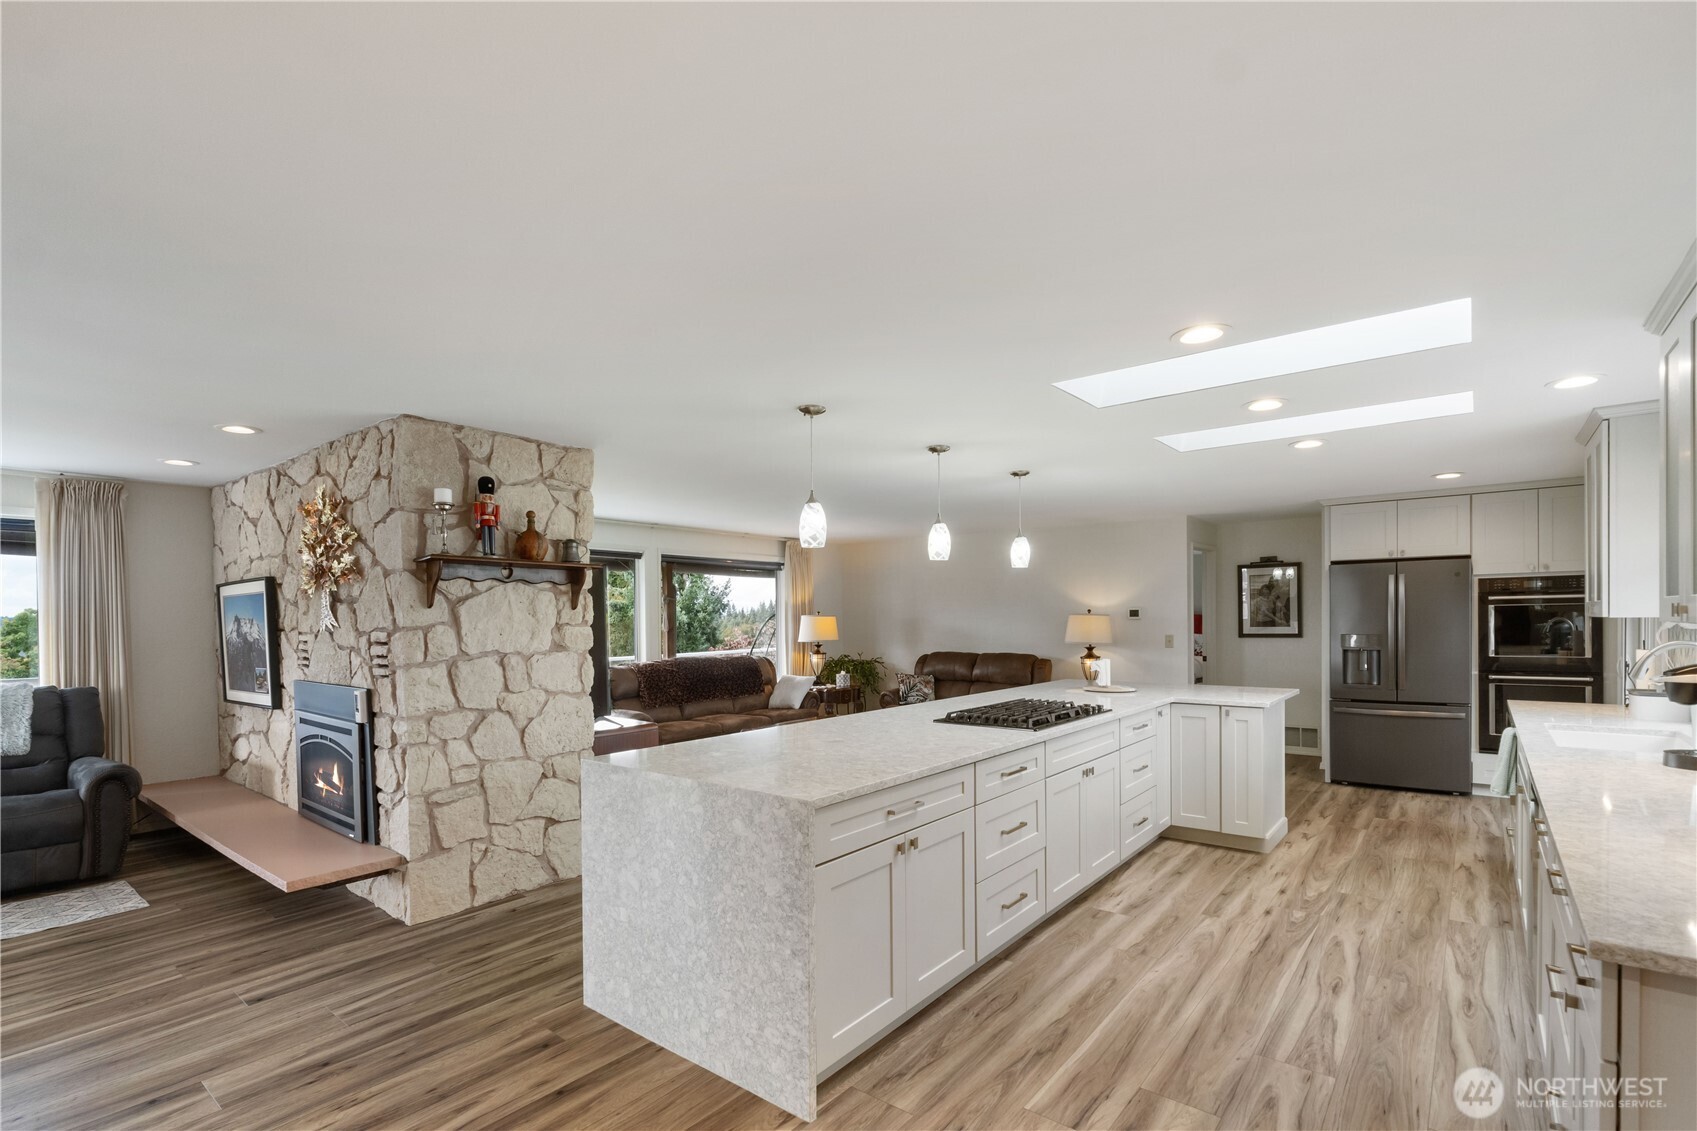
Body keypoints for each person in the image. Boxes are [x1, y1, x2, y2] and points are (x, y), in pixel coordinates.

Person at [473, 476, 500, 556]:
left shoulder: (495, 506)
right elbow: (477, 513)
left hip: (492, 522)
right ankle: (485, 551)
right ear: (482, 496)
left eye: (491, 497)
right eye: (487, 496)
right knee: (485, 535)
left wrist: (498, 524)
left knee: (492, 536)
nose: (489, 498)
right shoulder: (479, 505)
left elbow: (497, 514)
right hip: (484, 521)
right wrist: (477, 522)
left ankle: (493, 551)